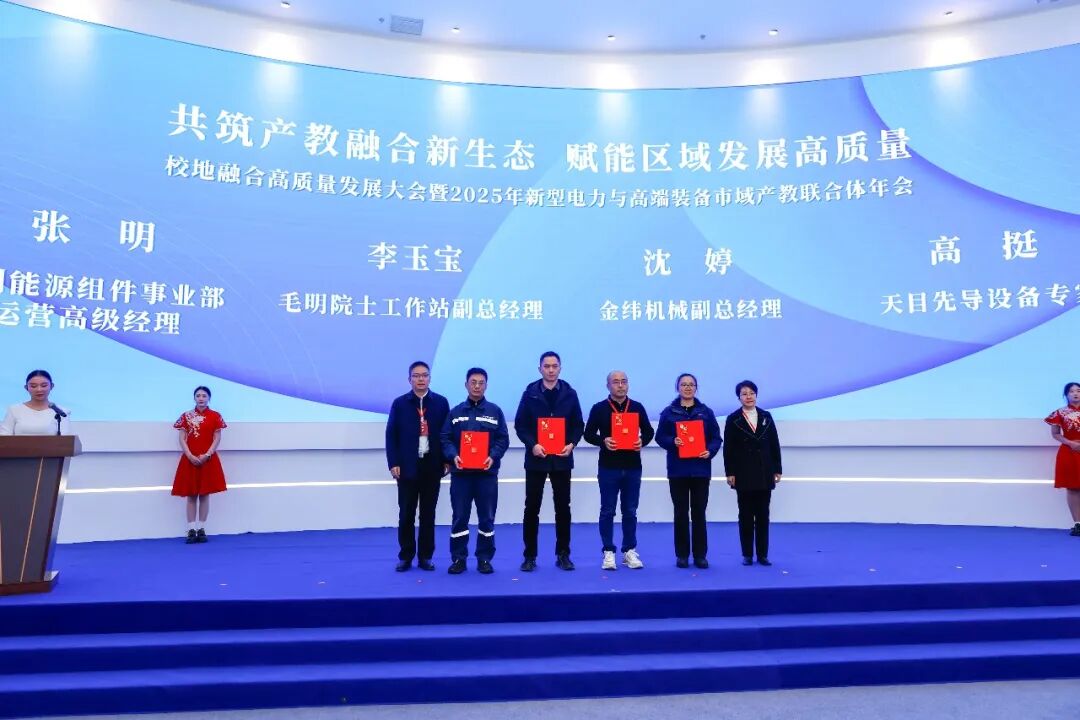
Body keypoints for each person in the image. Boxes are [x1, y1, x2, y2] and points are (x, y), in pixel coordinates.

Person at [514, 351, 585, 572]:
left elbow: (578, 425)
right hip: (537, 458)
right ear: (540, 369)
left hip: (562, 459)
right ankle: (529, 556)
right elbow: (520, 425)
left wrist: (571, 444)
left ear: (560, 368)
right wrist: (532, 444)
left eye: (555, 366)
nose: (551, 370)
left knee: (563, 508)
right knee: (531, 508)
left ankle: (563, 554)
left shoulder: (570, 393)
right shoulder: (530, 393)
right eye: (547, 366)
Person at [440, 368, 509, 575]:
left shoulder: (495, 412)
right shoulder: (455, 413)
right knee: (460, 517)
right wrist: (453, 455)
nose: (477, 386)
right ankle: (458, 559)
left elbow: (503, 439)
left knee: (486, 518)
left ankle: (484, 559)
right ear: (466, 385)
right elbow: (445, 438)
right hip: (461, 475)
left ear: (486, 385)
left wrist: (493, 456)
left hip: (486, 475)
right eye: (473, 382)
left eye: (481, 383)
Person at [583, 370, 655, 570]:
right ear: (608, 386)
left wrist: (642, 441)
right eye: (616, 382)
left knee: (630, 510)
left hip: (633, 467)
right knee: (607, 510)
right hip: (608, 467)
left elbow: (649, 431)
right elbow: (588, 434)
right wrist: (603, 440)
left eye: (624, 381)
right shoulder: (599, 408)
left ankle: (629, 550)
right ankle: (608, 551)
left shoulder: (637, 407)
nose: (620, 385)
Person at [386, 361, 451, 571]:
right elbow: (391, 435)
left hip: (432, 466)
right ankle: (406, 556)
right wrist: (393, 462)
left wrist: (447, 460)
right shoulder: (400, 404)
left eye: (424, 375)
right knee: (406, 513)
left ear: (429, 378)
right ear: (409, 379)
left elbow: (447, 434)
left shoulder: (441, 403)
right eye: (416, 376)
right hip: (407, 467)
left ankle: (425, 557)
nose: (421, 379)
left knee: (428, 514)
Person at [655, 373, 722, 569]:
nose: (687, 387)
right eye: (683, 384)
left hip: (700, 470)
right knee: (680, 513)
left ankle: (700, 555)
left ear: (696, 388)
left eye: (691, 384)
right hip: (678, 470)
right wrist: (672, 441)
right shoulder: (669, 412)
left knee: (699, 513)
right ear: (677, 388)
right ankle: (682, 555)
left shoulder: (706, 412)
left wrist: (710, 451)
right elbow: (660, 437)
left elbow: (716, 438)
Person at [723, 380, 782, 566]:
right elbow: (728, 449)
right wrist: (730, 472)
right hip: (743, 473)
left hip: (765, 472)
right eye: (744, 394)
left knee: (763, 515)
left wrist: (777, 468)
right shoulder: (733, 419)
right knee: (746, 515)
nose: (748, 397)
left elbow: (774, 443)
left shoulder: (766, 416)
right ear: (739, 398)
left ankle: (762, 555)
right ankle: (747, 554)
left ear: (756, 395)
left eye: (751, 393)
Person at [172, 386, 227, 544]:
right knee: (191, 495)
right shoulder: (186, 416)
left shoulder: (215, 416)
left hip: (208, 460)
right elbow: (182, 438)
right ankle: (191, 530)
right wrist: (189, 455)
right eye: (198, 395)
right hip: (189, 459)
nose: (201, 398)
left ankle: (201, 528)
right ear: (194, 398)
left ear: (209, 398)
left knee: (204, 495)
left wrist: (208, 454)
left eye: (204, 395)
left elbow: (217, 437)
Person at [1045, 382, 1080, 536]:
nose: (1075, 394)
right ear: (1066, 394)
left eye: (1078, 391)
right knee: (1072, 487)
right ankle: (1078, 524)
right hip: (1069, 451)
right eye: (1071, 391)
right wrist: (1071, 443)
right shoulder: (1059, 413)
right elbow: (1055, 434)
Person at [0, 370, 72, 436]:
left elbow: (65, 440)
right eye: (33, 386)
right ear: (26, 388)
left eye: (44, 385)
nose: (39, 390)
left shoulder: (61, 412)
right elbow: (4, 436)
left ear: (52, 386)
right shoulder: (14, 410)